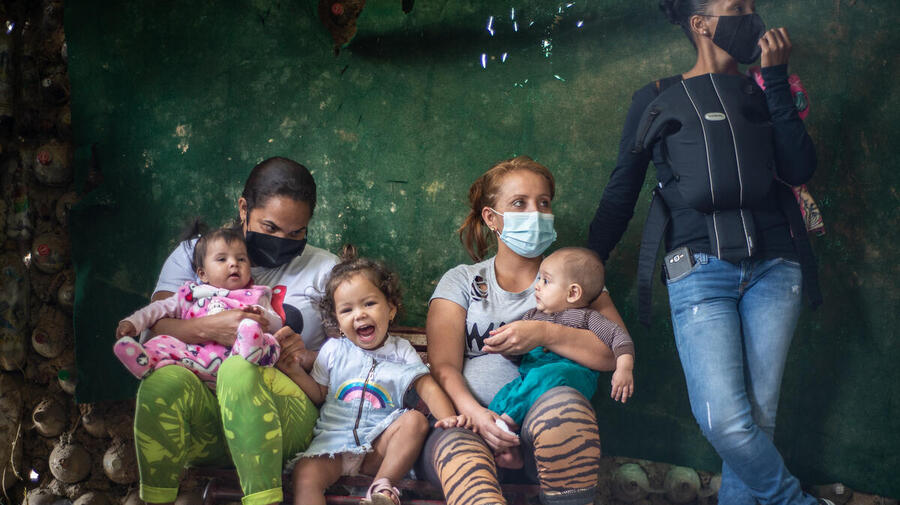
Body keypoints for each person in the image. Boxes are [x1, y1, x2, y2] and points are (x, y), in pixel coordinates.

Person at [587, 1, 827, 504]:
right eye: (736, 7)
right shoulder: (655, 98)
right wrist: (592, 259)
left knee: (758, 418)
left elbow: (800, 166)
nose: (752, 15)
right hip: (698, 269)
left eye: (752, 6)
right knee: (724, 418)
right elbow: (621, 190)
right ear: (700, 24)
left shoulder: (767, 88)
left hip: (776, 265)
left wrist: (776, 80)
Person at [133, 157, 338, 505]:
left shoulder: (325, 269)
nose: (281, 241)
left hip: (283, 419)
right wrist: (210, 328)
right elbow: (154, 330)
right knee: (162, 381)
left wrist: (306, 356)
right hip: (208, 419)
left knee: (238, 369)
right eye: (270, 227)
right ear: (244, 208)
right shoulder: (197, 253)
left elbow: (354, 358)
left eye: (296, 233)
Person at [423, 155, 627, 505]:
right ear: (491, 218)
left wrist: (545, 334)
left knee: (565, 411)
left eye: (543, 203)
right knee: (461, 458)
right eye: (519, 203)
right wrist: (476, 416)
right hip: (468, 426)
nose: (535, 213)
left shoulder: (574, 283)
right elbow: (443, 367)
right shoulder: (462, 281)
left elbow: (612, 354)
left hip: (541, 437)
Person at [288, 247, 468, 505]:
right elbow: (319, 394)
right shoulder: (333, 350)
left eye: (369, 303)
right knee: (305, 474)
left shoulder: (401, 351)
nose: (359, 314)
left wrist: (450, 420)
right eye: (346, 310)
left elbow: (427, 387)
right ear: (337, 321)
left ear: (391, 310)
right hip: (332, 447)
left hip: (379, 446)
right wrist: (295, 371)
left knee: (415, 421)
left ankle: (382, 490)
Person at [488, 247, 635, 470]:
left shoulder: (587, 317)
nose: (537, 286)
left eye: (545, 281)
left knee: (545, 375)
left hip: (570, 377)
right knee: (503, 396)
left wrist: (624, 368)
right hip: (531, 380)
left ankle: (508, 422)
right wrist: (507, 347)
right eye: (539, 279)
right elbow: (521, 355)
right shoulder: (531, 317)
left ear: (573, 293)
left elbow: (619, 339)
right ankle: (510, 447)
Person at [114, 226, 283, 387]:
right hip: (194, 359)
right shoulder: (191, 293)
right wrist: (133, 323)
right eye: (222, 259)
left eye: (241, 259)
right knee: (162, 341)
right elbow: (158, 309)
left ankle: (249, 352)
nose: (234, 264)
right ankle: (146, 361)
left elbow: (276, 324)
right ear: (203, 274)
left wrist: (261, 315)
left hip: (236, 364)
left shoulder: (256, 295)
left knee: (270, 342)